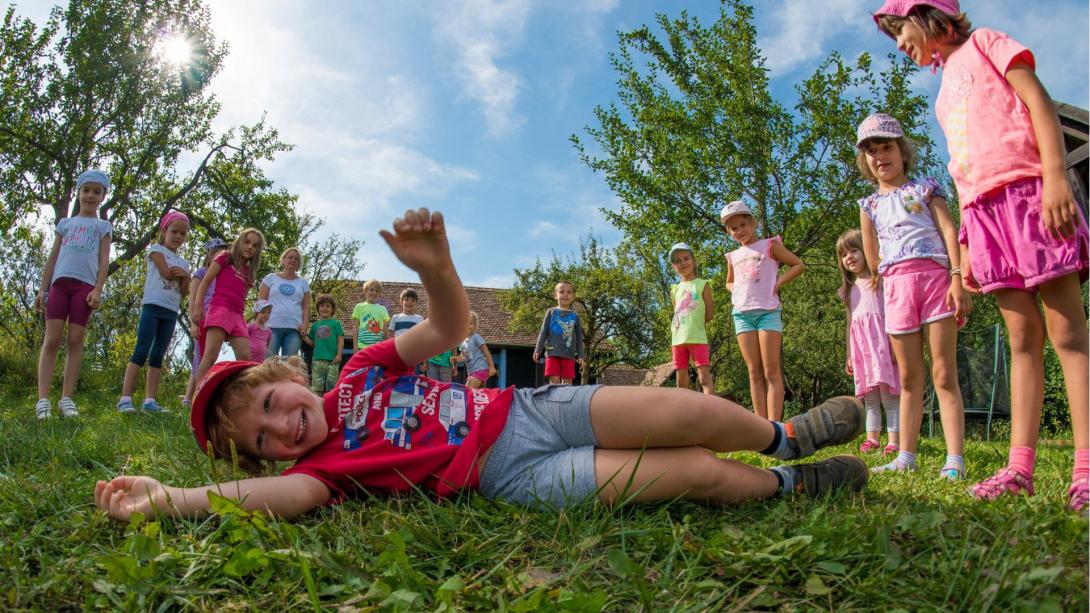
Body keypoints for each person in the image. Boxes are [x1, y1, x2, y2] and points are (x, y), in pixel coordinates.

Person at [93, 208, 870, 521]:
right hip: (513, 477)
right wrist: (168, 498)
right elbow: (256, 495)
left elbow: (453, 325)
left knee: (690, 413)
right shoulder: (322, 473)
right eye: (263, 439)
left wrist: (436, 266)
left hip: (527, 412)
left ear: (284, 378)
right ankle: (788, 484)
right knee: (689, 468)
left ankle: (782, 436)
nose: (281, 427)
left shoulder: (362, 369)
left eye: (268, 405)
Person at [873, 1, 1089, 508]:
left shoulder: (987, 42)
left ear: (927, 15)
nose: (900, 44)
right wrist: (967, 242)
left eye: (900, 30)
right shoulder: (943, 91)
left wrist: (1056, 177)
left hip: (1029, 194)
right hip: (985, 216)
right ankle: (1020, 467)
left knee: (1066, 333)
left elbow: (1039, 103)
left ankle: (1085, 467)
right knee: (1022, 338)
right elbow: (962, 172)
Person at [855, 112, 969, 480]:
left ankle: (954, 458)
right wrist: (885, 279)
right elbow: (872, 257)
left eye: (886, 147)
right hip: (897, 288)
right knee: (908, 377)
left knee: (943, 373)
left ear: (902, 151)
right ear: (866, 161)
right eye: (871, 152)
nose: (880, 157)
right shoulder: (868, 206)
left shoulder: (926, 189)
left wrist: (957, 277)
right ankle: (906, 454)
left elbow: (950, 231)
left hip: (936, 280)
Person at [34, 169, 113, 419]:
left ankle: (66, 399)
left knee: (76, 339)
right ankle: (43, 400)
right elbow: (53, 257)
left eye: (96, 192)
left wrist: (98, 289)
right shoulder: (65, 224)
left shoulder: (103, 226)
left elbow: (104, 259)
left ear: (102, 196)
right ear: (78, 193)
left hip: (85, 287)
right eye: (86, 190)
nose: (90, 196)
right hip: (60, 284)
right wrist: (43, 288)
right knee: (52, 340)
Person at [722, 201, 805, 420]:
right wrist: (735, 291)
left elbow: (798, 264)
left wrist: (778, 283)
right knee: (753, 371)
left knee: (771, 370)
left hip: (768, 312)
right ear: (729, 233)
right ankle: (759, 426)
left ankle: (774, 426)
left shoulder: (770, 245)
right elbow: (728, 283)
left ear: (753, 222)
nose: (740, 231)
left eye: (743, 224)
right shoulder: (733, 256)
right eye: (734, 228)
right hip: (742, 315)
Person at [117, 210, 191, 414]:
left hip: (170, 311)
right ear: (164, 230)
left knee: (158, 354)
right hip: (152, 306)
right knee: (141, 350)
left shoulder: (184, 264)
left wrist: (185, 276)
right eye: (174, 231)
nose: (178, 237)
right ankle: (125, 399)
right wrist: (183, 276)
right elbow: (166, 273)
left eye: (183, 234)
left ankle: (150, 401)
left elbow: (184, 291)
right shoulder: (156, 250)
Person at [837, 229, 900, 455]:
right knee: (870, 397)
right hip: (863, 350)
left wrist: (895, 344)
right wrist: (849, 354)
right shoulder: (849, 290)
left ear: (867, 250)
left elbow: (892, 312)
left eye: (854, 250)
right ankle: (872, 439)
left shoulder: (880, 280)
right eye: (844, 254)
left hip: (883, 345)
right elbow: (850, 324)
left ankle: (894, 441)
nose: (849, 257)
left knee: (889, 396)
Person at [190, 228, 265, 386]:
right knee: (210, 355)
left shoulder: (249, 272)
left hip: (238, 316)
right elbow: (205, 282)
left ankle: (242, 397)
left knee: (245, 358)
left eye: (255, 245)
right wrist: (198, 307)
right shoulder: (225, 257)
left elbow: (242, 296)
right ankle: (197, 398)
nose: (250, 246)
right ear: (239, 242)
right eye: (247, 242)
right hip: (220, 309)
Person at [182, 237, 229, 408]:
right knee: (200, 358)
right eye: (217, 251)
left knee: (209, 358)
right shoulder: (201, 273)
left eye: (224, 252)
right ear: (209, 254)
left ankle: (197, 396)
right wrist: (193, 324)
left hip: (216, 321)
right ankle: (190, 398)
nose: (221, 255)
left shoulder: (223, 275)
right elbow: (193, 298)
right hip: (202, 319)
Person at [667, 243, 714, 395]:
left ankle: (711, 412)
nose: (683, 263)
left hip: (697, 337)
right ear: (674, 266)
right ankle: (684, 415)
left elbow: (709, 313)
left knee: (704, 378)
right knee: (681, 381)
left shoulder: (702, 285)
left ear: (693, 260)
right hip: (678, 339)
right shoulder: (674, 289)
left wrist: (695, 326)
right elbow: (677, 312)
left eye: (686, 258)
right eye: (678, 261)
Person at [259, 247, 311, 358]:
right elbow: (261, 303)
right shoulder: (270, 278)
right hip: (271, 326)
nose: (293, 260)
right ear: (283, 260)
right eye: (290, 257)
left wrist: (305, 324)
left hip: (294, 328)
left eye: (296, 259)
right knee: (269, 362)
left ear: (298, 264)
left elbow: (306, 306)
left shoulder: (303, 283)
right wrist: (259, 323)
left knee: (289, 364)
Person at [533, 281, 585, 385]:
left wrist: (580, 355)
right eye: (561, 292)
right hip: (552, 353)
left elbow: (579, 337)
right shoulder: (551, 312)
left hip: (569, 354)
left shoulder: (575, 316)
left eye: (569, 292)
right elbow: (543, 331)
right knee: (554, 381)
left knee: (567, 382)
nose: (565, 294)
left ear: (573, 296)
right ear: (555, 295)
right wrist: (538, 349)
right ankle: (554, 400)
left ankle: (566, 400)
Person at [302, 294, 345, 394]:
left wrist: (339, 355)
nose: (324, 308)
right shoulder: (315, 326)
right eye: (322, 306)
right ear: (318, 309)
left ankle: (330, 406)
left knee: (332, 386)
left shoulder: (336, 324)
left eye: (327, 306)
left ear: (332, 309)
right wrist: (304, 337)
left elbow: (340, 340)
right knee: (317, 387)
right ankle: (317, 406)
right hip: (317, 360)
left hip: (333, 360)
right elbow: (312, 343)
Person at [452, 311, 496, 388]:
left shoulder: (476, 337)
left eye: (471, 323)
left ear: (475, 325)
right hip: (471, 373)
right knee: (476, 395)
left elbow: (486, 352)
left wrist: (492, 367)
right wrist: (456, 359)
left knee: (467, 392)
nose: (468, 326)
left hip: (480, 369)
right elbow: (464, 357)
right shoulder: (463, 342)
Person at [350, 279, 389, 351]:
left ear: (380, 294)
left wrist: (385, 347)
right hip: (361, 347)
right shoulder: (359, 307)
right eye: (371, 290)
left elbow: (385, 330)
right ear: (365, 291)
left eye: (377, 291)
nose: (374, 292)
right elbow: (355, 328)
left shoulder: (383, 309)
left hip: (378, 348)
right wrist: (355, 346)